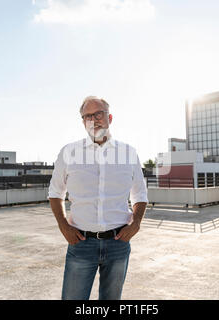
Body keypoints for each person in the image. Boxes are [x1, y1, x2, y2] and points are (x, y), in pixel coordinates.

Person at [48, 96, 148, 300]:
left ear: (109, 117)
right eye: (87, 117)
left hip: (118, 243)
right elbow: (55, 193)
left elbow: (140, 194)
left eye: (98, 114)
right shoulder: (69, 152)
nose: (93, 120)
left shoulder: (128, 153)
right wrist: (63, 226)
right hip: (81, 243)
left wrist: (136, 223)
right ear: (83, 122)